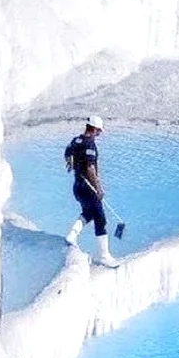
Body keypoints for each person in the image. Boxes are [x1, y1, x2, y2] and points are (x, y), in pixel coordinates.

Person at [63, 114, 119, 267]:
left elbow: (67, 152)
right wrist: (98, 188)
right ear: (93, 129)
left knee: (89, 213)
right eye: (99, 131)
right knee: (101, 219)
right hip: (88, 188)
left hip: (77, 187)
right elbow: (90, 168)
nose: (99, 134)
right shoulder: (89, 145)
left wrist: (70, 163)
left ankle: (72, 235)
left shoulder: (76, 140)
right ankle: (103, 256)